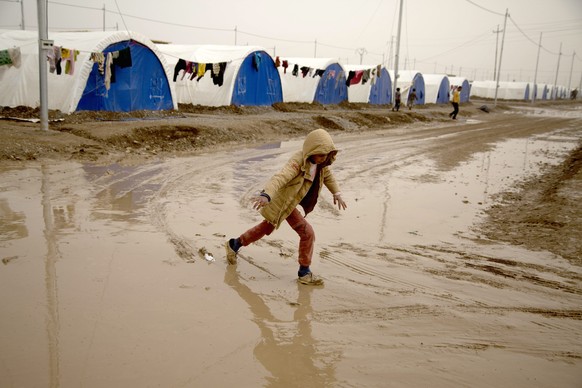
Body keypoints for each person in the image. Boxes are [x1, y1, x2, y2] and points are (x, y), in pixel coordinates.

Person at [225, 128, 348, 286]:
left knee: (265, 228)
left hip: (292, 202)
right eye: (321, 155)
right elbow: (281, 177)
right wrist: (266, 194)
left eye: (326, 156)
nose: (324, 159)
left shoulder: (321, 163)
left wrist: (336, 193)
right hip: (283, 202)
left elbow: (328, 176)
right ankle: (304, 273)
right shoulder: (298, 162)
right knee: (307, 233)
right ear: (311, 151)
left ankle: (234, 244)